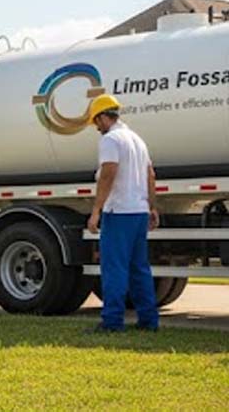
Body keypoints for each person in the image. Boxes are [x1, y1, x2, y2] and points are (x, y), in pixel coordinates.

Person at [86, 94, 160, 333]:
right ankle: (148, 321)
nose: (96, 127)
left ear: (102, 117)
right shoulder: (137, 140)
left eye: (96, 122)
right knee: (139, 268)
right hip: (139, 211)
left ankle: (112, 322)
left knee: (114, 268)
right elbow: (151, 175)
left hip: (119, 212)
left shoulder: (111, 140)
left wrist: (96, 210)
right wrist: (152, 207)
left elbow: (108, 173)